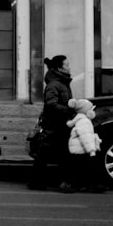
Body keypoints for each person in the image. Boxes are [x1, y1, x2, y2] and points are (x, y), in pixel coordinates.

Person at [27, 54, 76, 191]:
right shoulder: (54, 85)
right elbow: (51, 104)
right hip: (53, 125)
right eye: (67, 65)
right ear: (60, 68)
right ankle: (40, 182)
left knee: (55, 155)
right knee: (49, 155)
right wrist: (69, 110)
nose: (69, 67)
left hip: (59, 124)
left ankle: (39, 182)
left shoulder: (62, 83)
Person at [66, 99, 107, 193]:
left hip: (78, 149)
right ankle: (93, 185)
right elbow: (86, 136)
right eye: (91, 109)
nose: (92, 111)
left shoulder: (80, 119)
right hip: (83, 149)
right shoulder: (84, 121)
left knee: (79, 168)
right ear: (85, 111)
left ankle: (78, 185)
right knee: (89, 168)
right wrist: (91, 150)